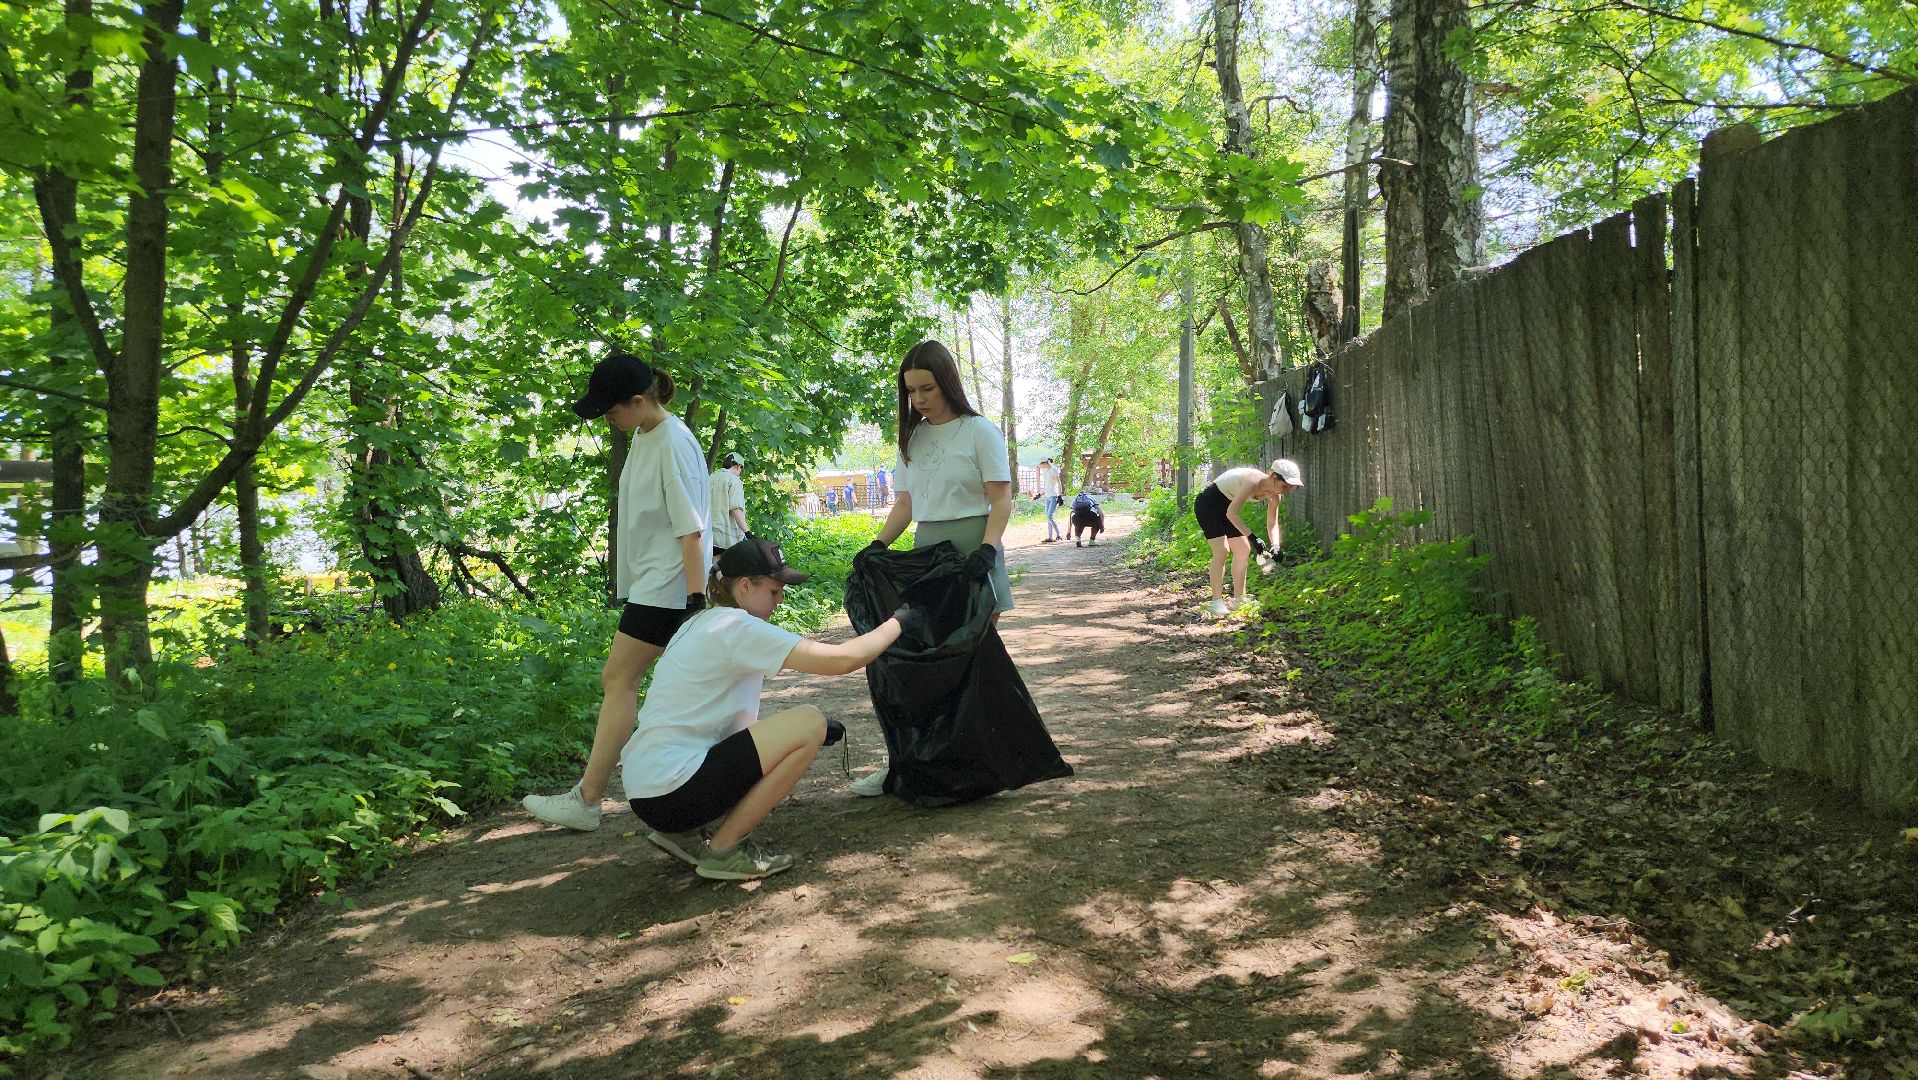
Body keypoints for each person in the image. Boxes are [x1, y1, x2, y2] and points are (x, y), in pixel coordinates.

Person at [623, 538, 921, 879]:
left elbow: (726, 729)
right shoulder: (736, 627)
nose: (780, 600)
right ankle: (724, 851)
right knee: (809, 721)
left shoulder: (697, 623)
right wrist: (900, 620)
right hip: (673, 792)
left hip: (646, 790)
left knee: (807, 726)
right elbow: (843, 659)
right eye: (774, 591)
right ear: (745, 586)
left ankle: (682, 833)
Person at [522, 351, 710, 831]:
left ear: (637, 401)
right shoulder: (647, 434)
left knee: (619, 680)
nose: (608, 419)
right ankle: (695, 786)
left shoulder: (671, 442)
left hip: (669, 587)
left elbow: (691, 529)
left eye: (610, 411)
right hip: (657, 583)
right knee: (663, 686)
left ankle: (588, 799)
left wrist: (696, 603)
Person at [849, 339, 1013, 797]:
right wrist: (878, 544)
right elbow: (906, 503)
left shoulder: (980, 431)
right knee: (921, 673)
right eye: (910, 391)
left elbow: (1001, 498)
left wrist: (986, 550)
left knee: (971, 668)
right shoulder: (913, 438)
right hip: (928, 554)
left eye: (927, 388)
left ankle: (983, 769)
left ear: (947, 384)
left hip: (973, 553)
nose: (918, 399)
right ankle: (904, 768)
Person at [1193, 458, 1304, 618]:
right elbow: (1232, 513)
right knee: (1222, 550)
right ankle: (1216, 601)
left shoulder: (1275, 496)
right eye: (1285, 485)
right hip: (1208, 504)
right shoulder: (1252, 481)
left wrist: (1276, 545)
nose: (1286, 490)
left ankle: (1239, 599)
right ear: (1274, 476)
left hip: (1228, 507)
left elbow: (1272, 524)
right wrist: (1252, 537)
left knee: (1243, 550)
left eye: (1289, 487)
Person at [709, 451, 749, 555]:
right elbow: (735, 509)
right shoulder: (734, 480)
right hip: (727, 539)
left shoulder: (710, 478)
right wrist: (747, 533)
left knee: (711, 564)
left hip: (708, 536)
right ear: (739, 466)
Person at [1036, 457, 1063, 543]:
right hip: (1047, 496)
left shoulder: (1053, 470)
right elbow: (1047, 485)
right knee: (1048, 517)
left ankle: (1059, 535)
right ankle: (1050, 537)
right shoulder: (1045, 471)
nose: (1039, 466)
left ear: (1044, 463)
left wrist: (1060, 495)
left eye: (1040, 464)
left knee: (1050, 516)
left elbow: (1058, 483)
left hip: (1054, 496)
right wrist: (1040, 494)